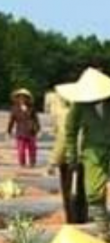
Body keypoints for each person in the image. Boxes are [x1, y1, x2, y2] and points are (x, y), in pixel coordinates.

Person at [58, 67, 110, 240]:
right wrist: (71, 156)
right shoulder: (80, 105)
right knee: (93, 193)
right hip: (92, 152)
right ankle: (104, 231)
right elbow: (70, 130)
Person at [45, 89, 88, 224]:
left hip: (71, 158)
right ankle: (82, 220)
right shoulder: (83, 111)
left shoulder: (64, 114)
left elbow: (63, 139)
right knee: (83, 191)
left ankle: (73, 222)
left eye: (49, 104)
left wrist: (53, 161)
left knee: (70, 192)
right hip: (86, 156)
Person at [7, 88, 41, 168]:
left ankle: (32, 162)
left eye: (24, 97)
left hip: (31, 131)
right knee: (21, 150)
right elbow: (11, 120)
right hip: (20, 132)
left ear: (27, 99)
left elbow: (35, 119)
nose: (22, 99)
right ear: (17, 99)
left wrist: (38, 129)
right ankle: (22, 163)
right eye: (20, 97)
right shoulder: (15, 109)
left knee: (32, 149)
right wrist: (9, 131)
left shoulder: (31, 108)